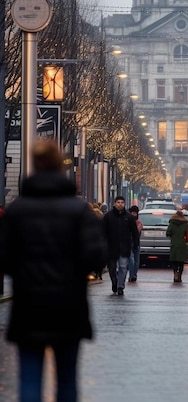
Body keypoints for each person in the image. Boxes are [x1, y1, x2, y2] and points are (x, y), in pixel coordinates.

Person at [0, 139, 106, 402]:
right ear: (61, 167)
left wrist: (24, 273)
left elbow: (4, 257)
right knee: (67, 380)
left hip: (29, 305)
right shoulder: (78, 211)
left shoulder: (18, 210)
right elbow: (96, 256)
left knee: (29, 377)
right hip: (69, 306)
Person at [102, 195, 139, 295]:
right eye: (118, 202)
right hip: (111, 247)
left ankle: (120, 286)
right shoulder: (108, 216)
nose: (120, 204)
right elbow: (103, 232)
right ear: (115, 203)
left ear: (124, 204)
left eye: (122, 203)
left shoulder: (129, 217)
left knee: (123, 267)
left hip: (124, 247)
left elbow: (134, 232)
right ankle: (114, 282)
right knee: (112, 268)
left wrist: (135, 244)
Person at [166, 209, 188, 283]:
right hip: (182, 244)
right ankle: (179, 275)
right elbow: (187, 233)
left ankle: (175, 274)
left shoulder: (172, 223)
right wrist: (186, 240)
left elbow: (168, 233)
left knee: (174, 261)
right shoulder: (185, 224)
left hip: (174, 243)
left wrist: (172, 237)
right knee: (181, 262)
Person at [128, 205, 143, 282]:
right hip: (135, 241)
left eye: (134, 213)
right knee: (135, 259)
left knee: (132, 259)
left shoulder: (128, 221)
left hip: (133, 242)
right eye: (132, 213)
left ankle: (132, 275)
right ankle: (133, 275)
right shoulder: (139, 222)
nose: (133, 214)